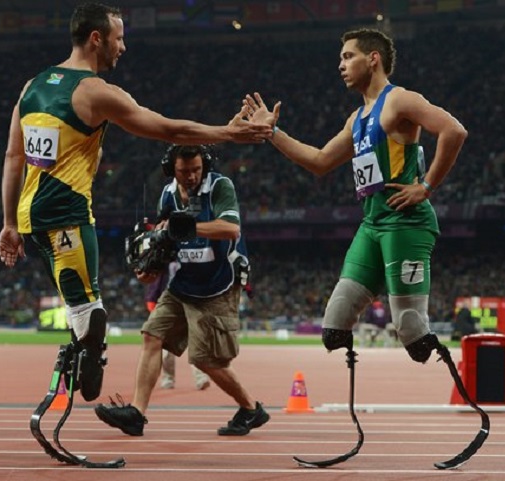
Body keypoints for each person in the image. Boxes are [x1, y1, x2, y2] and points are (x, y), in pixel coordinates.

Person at [0, 3, 270, 403]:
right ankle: (85, 361)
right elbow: (167, 128)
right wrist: (227, 133)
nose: (122, 47)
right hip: (67, 218)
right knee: (92, 314)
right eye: (119, 37)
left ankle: (80, 348)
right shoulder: (95, 92)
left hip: (29, 219)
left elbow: (12, 157)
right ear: (96, 38)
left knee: (80, 306)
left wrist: (7, 223)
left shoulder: (32, 85)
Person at [243, 27, 467, 365]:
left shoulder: (399, 100)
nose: (341, 65)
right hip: (372, 223)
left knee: (413, 334)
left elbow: (454, 130)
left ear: (373, 59)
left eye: (348, 57)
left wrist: (427, 186)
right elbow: (319, 162)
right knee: (333, 329)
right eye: (341, 58)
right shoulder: (357, 119)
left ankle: (466, 378)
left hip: (404, 221)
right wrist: (272, 132)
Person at [94, 144, 269, 436]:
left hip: (219, 283)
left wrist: (185, 227)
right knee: (151, 336)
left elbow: (231, 229)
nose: (190, 176)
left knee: (204, 360)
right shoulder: (168, 194)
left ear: (205, 166)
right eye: (183, 171)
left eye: (196, 170)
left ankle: (251, 409)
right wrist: (152, 267)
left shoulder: (220, 186)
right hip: (185, 280)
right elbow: (167, 237)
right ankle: (136, 414)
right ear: (170, 170)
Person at [147, 260, 210, 390]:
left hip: (191, 305)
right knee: (166, 350)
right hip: (169, 308)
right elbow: (153, 291)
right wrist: (156, 312)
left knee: (196, 345)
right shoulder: (164, 265)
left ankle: (201, 378)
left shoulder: (192, 262)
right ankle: (168, 379)